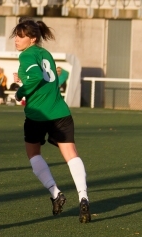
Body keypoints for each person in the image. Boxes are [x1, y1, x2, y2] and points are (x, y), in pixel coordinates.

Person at [10, 18, 91, 223]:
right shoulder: (45, 54)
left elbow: (36, 77)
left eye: (21, 36)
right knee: (71, 154)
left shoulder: (26, 56)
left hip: (38, 115)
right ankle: (83, 196)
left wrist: (20, 91)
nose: (16, 40)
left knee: (33, 154)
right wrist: (24, 79)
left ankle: (56, 193)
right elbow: (47, 77)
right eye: (16, 36)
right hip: (60, 111)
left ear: (33, 38)